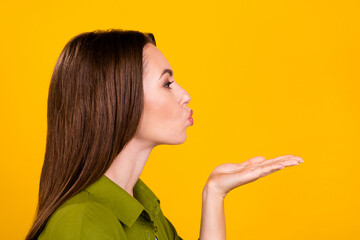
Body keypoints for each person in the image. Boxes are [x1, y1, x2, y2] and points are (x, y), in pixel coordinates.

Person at [25, 29, 304, 240]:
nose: (185, 95)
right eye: (167, 83)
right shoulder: (84, 223)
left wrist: (215, 193)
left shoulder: (142, 207)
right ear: (120, 99)